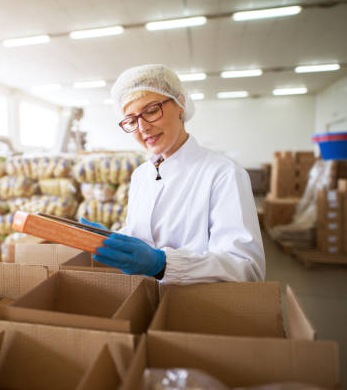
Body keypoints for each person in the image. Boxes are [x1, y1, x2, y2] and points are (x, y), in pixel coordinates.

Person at [81, 64, 265, 284]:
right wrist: (116, 240)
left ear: (180, 104)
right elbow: (145, 235)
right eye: (131, 120)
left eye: (151, 111)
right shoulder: (141, 175)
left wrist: (163, 264)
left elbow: (246, 268)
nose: (143, 127)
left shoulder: (223, 174)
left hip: (198, 310)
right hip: (144, 303)